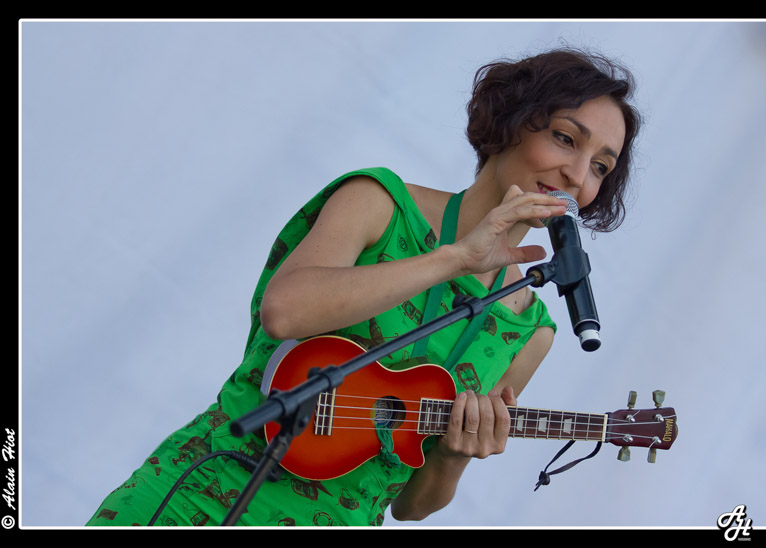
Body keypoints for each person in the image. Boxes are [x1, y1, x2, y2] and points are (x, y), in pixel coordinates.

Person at [86, 47, 641, 527]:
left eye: (600, 167)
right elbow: (284, 311)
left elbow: (411, 506)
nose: (577, 175)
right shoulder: (379, 203)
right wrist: (453, 259)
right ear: (511, 121)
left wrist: (454, 456)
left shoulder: (530, 332)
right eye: (565, 139)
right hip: (202, 498)